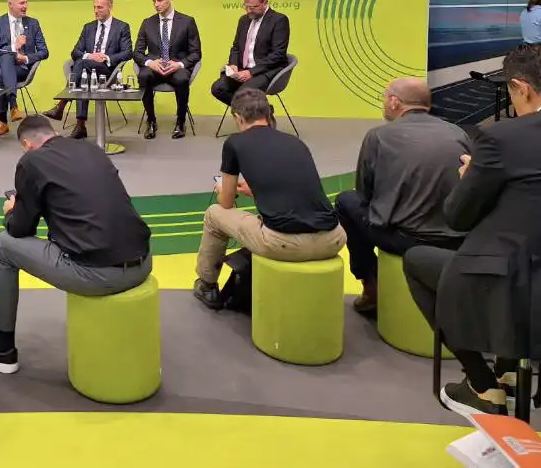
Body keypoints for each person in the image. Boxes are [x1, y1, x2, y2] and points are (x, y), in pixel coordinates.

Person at [404, 44, 541, 417]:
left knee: (418, 261)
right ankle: (508, 370)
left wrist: (468, 178)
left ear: (521, 88)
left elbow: (458, 217)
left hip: (509, 279)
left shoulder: (502, 138)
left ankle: (482, 384)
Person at [0, 115, 151, 373]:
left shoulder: (31, 161)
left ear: (27, 144)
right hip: (143, 261)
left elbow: (20, 229)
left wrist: (12, 210)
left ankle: (2, 348)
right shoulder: (91, 149)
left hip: (98, 273)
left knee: (2, 246)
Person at [193, 90, 345, 310]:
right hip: (333, 239)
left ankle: (207, 285)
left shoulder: (234, 143)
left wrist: (222, 189)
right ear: (267, 114)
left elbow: (226, 202)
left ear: (238, 118)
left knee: (214, 214)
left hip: (283, 243)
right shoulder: (295, 143)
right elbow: (298, 188)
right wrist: (256, 190)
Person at [335, 78, 467, 315]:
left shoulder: (379, 136)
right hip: (456, 239)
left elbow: (364, 194)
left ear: (395, 102)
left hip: (407, 239)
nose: (384, 103)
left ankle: (371, 287)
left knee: (346, 201)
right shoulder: (458, 133)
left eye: (385, 98)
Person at [43, 0, 133, 139]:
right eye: (94, 7)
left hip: (107, 71)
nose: (96, 11)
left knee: (81, 64)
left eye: (100, 7)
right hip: (87, 70)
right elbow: (75, 52)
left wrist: (106, 57)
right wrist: (90, 56)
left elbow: (128, 52)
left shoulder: (122, 27)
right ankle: (80, 126)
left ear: (110, 6)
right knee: (83, 74)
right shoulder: (88, 27)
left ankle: (62, 105)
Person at [133, 0, 201, 140]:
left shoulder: (187, 22)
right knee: (143, 76)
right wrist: (150, 62)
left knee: (182, 79)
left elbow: (196, 53)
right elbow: (137, 53)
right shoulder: (147, 23)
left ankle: (180, 122)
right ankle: (151, 121)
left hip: (176, 66)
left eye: (160, 0)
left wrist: (179, 65)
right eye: (154, 1)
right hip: (155, 68)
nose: (156, 4)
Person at [209, 0, 290, 107]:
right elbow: (236, 47)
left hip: (265, 71)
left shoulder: (279, 20)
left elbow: (278, 54)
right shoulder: (244, 20)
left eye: (253, 7)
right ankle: (261, 111)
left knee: (243, 95)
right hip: (243, 69)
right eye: (246, 6)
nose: (249, 11)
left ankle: (256, 113)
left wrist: (251, 72)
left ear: (265, 3)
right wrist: (233, 64)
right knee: (218, 88)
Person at [0, 0, 49, 137]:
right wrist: (14, 47)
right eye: (21, 3)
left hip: (20, 69)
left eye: (26, 2)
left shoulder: (33, 23)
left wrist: (26, 58)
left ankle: (3, 121)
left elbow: (44, 51)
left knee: (0, 74)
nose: (25, 6)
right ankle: (13, 105)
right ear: (10, 4)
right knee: (6, 55)